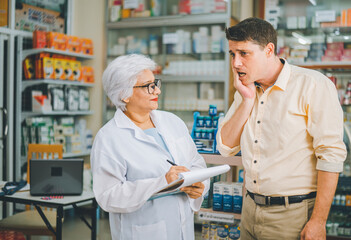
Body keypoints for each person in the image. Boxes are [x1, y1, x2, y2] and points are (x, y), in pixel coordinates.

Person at [216, 17, 346, 240]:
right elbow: (225, 148)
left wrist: (319, 221)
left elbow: (331, 157)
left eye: (244, 53)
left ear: (269, 50)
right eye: (232, 54)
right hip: (249, 209)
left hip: (292, 215)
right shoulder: (246, 90)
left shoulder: (312, 84)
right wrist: (247, 101)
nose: (236, 63)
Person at [91, 54, 209, 240]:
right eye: (148, 86)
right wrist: (162, 182)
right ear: (124, 94)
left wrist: (200, 186)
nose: (157, 91)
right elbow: (108, 196)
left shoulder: (172, 121)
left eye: (156, 83)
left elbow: (196, 162)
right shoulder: (109, 138)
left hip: (183, 229)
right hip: (143, 232)